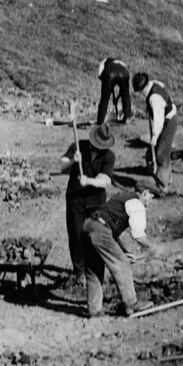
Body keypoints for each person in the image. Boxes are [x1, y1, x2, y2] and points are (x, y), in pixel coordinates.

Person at [59, 121, 118, 290]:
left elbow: (105, 180)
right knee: (76, 235)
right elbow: (61, 166)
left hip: (96, 201)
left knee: (96, 236)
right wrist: (72, 161)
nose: (99, 148)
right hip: (75, 199)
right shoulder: (77, 146)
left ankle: (97, 271)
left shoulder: (109, 156)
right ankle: (79, 272)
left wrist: (89, 181)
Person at [81, 191, 156, 318]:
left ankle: (94, 310)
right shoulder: (137, 204)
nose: (151, 200)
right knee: (122, 264)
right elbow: (138, 235)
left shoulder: (122, 198)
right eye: (151, 196)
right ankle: (131, 303)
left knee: (94, 269)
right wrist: (152, 247)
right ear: (143, 193)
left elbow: (110, 231)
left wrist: (125, 251)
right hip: (100, 230)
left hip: (88, 226)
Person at [131, 72, 179, 193]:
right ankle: (168, 179)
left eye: (140, 90)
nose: (140, 93)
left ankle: (161, 185)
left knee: (161, 153)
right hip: (168, 117)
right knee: (164, 150)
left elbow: (158, 120)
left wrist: (154, 137)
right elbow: (160, 84)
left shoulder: (154, 98)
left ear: (143, 88)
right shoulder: (154, 84)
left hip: (168, 121)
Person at [96, 57, 132, 125]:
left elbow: (100, 76)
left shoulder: (104, 61)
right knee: (126, 95)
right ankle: (127, 117)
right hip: (123, 73)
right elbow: (123, 91)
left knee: (104, 98)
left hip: (109, 73)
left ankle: (100, 121)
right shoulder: (122, 64)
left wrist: (108, 88)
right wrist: (117, 97)